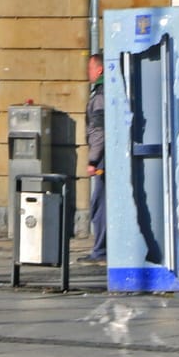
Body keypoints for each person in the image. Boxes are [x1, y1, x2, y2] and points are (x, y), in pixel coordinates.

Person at [84, 53, 106, 261]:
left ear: (99, 70)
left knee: (100, 204)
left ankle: (101, 251)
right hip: (106, 156)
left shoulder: (100, 95)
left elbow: (98, 130)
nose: (88, 73)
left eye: (90, 69)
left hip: (103, 159)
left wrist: (93, 160)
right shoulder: (104, 91)